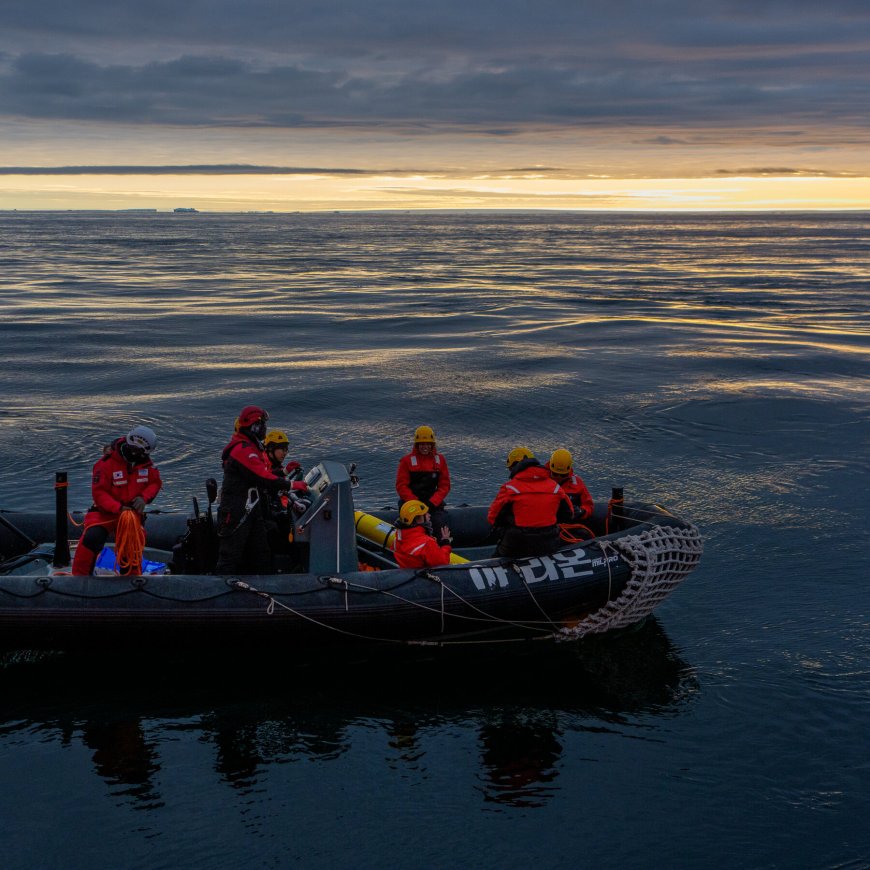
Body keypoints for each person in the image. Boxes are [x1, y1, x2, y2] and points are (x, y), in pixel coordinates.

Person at [215, 406, 307, 574]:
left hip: (251, 510)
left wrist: (283, 473)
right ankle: (220, 591)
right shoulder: (242, 450)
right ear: (255, 426)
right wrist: (292, 485)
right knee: (230, 556)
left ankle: (263, 590)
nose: (265, 429)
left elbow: (262, 473)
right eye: (263, 425)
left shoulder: (249, 448)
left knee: (261, 554)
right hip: (237, 512)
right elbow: (262, 477)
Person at [71, 425, 162, 575]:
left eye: (139, 452)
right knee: (91, 539)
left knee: (131, 546)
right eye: (133, 449)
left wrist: (143, 498)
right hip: (105, 513)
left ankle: (130, 580)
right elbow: (99, 493)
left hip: (131, 515)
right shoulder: (106, 464)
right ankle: (79, 579)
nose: (134, 453)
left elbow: (155, 483)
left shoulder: (148, 466)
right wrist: (118, 508)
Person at [486, 446, 574, 558]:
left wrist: (512, 520)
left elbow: (492, 518)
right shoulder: (555, 487)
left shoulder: (510, 488)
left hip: (516, 545)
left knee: (497, 557)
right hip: (548, 544)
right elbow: (569, 515)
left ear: (514, 468)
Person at [396, 425, 451, 544]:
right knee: (409, 527)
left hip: (432, 503)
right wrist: (417, 505)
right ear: (417, 445)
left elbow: (444, 486)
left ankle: (441, 550)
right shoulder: (406, 461)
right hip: (411, 503)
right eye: (422, 444)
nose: (425, 447)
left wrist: (432, 503)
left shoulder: (440, 460)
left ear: (432, 445)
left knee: (439, 524)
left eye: (428, 444)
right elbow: (401, 486)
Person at [392, 500, 453, 569]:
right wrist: (446, 544)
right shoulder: (426, 543)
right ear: (418, 519)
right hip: (423, 577)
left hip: (407, 575)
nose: (429, 515)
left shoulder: (398, 538)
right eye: (426, 513)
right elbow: (442, 564)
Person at [547, 449, 594, 520]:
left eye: (563, 475)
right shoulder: (541, 481)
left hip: (570, 525)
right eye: (555, 474)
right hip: (547, 525)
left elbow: (588, 505)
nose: (559, 478)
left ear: (568, 472)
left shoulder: (578, 483)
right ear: (550, 469)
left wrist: (582, 511)